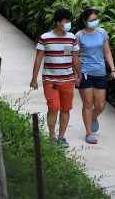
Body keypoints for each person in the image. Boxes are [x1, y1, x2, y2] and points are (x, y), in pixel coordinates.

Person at [30, 8, 80, 148]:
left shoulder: (72, 38)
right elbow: (38, 58)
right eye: (66, 21)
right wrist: (34, 78)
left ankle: (61, 137)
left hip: (68, 80)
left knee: (65, 109)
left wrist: (79, 74)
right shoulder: (45, 38)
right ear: (58, 22)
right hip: (50, 80)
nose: (68, 24)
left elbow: (75, 58)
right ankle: (51, 137)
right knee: (53, 107)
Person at [76, 8, 115, 144]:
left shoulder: (102, 33)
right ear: (84, 21)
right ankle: (89, 133)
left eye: (96, 19)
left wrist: (112, 69)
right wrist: (76, 72)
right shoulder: (79, 35)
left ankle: (93, 118)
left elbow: (107, 52)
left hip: (100, 72)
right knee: (88, 103)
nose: (94, 22)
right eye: (91, 20)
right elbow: (74, 55)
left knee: (100, 105)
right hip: (85, 72)